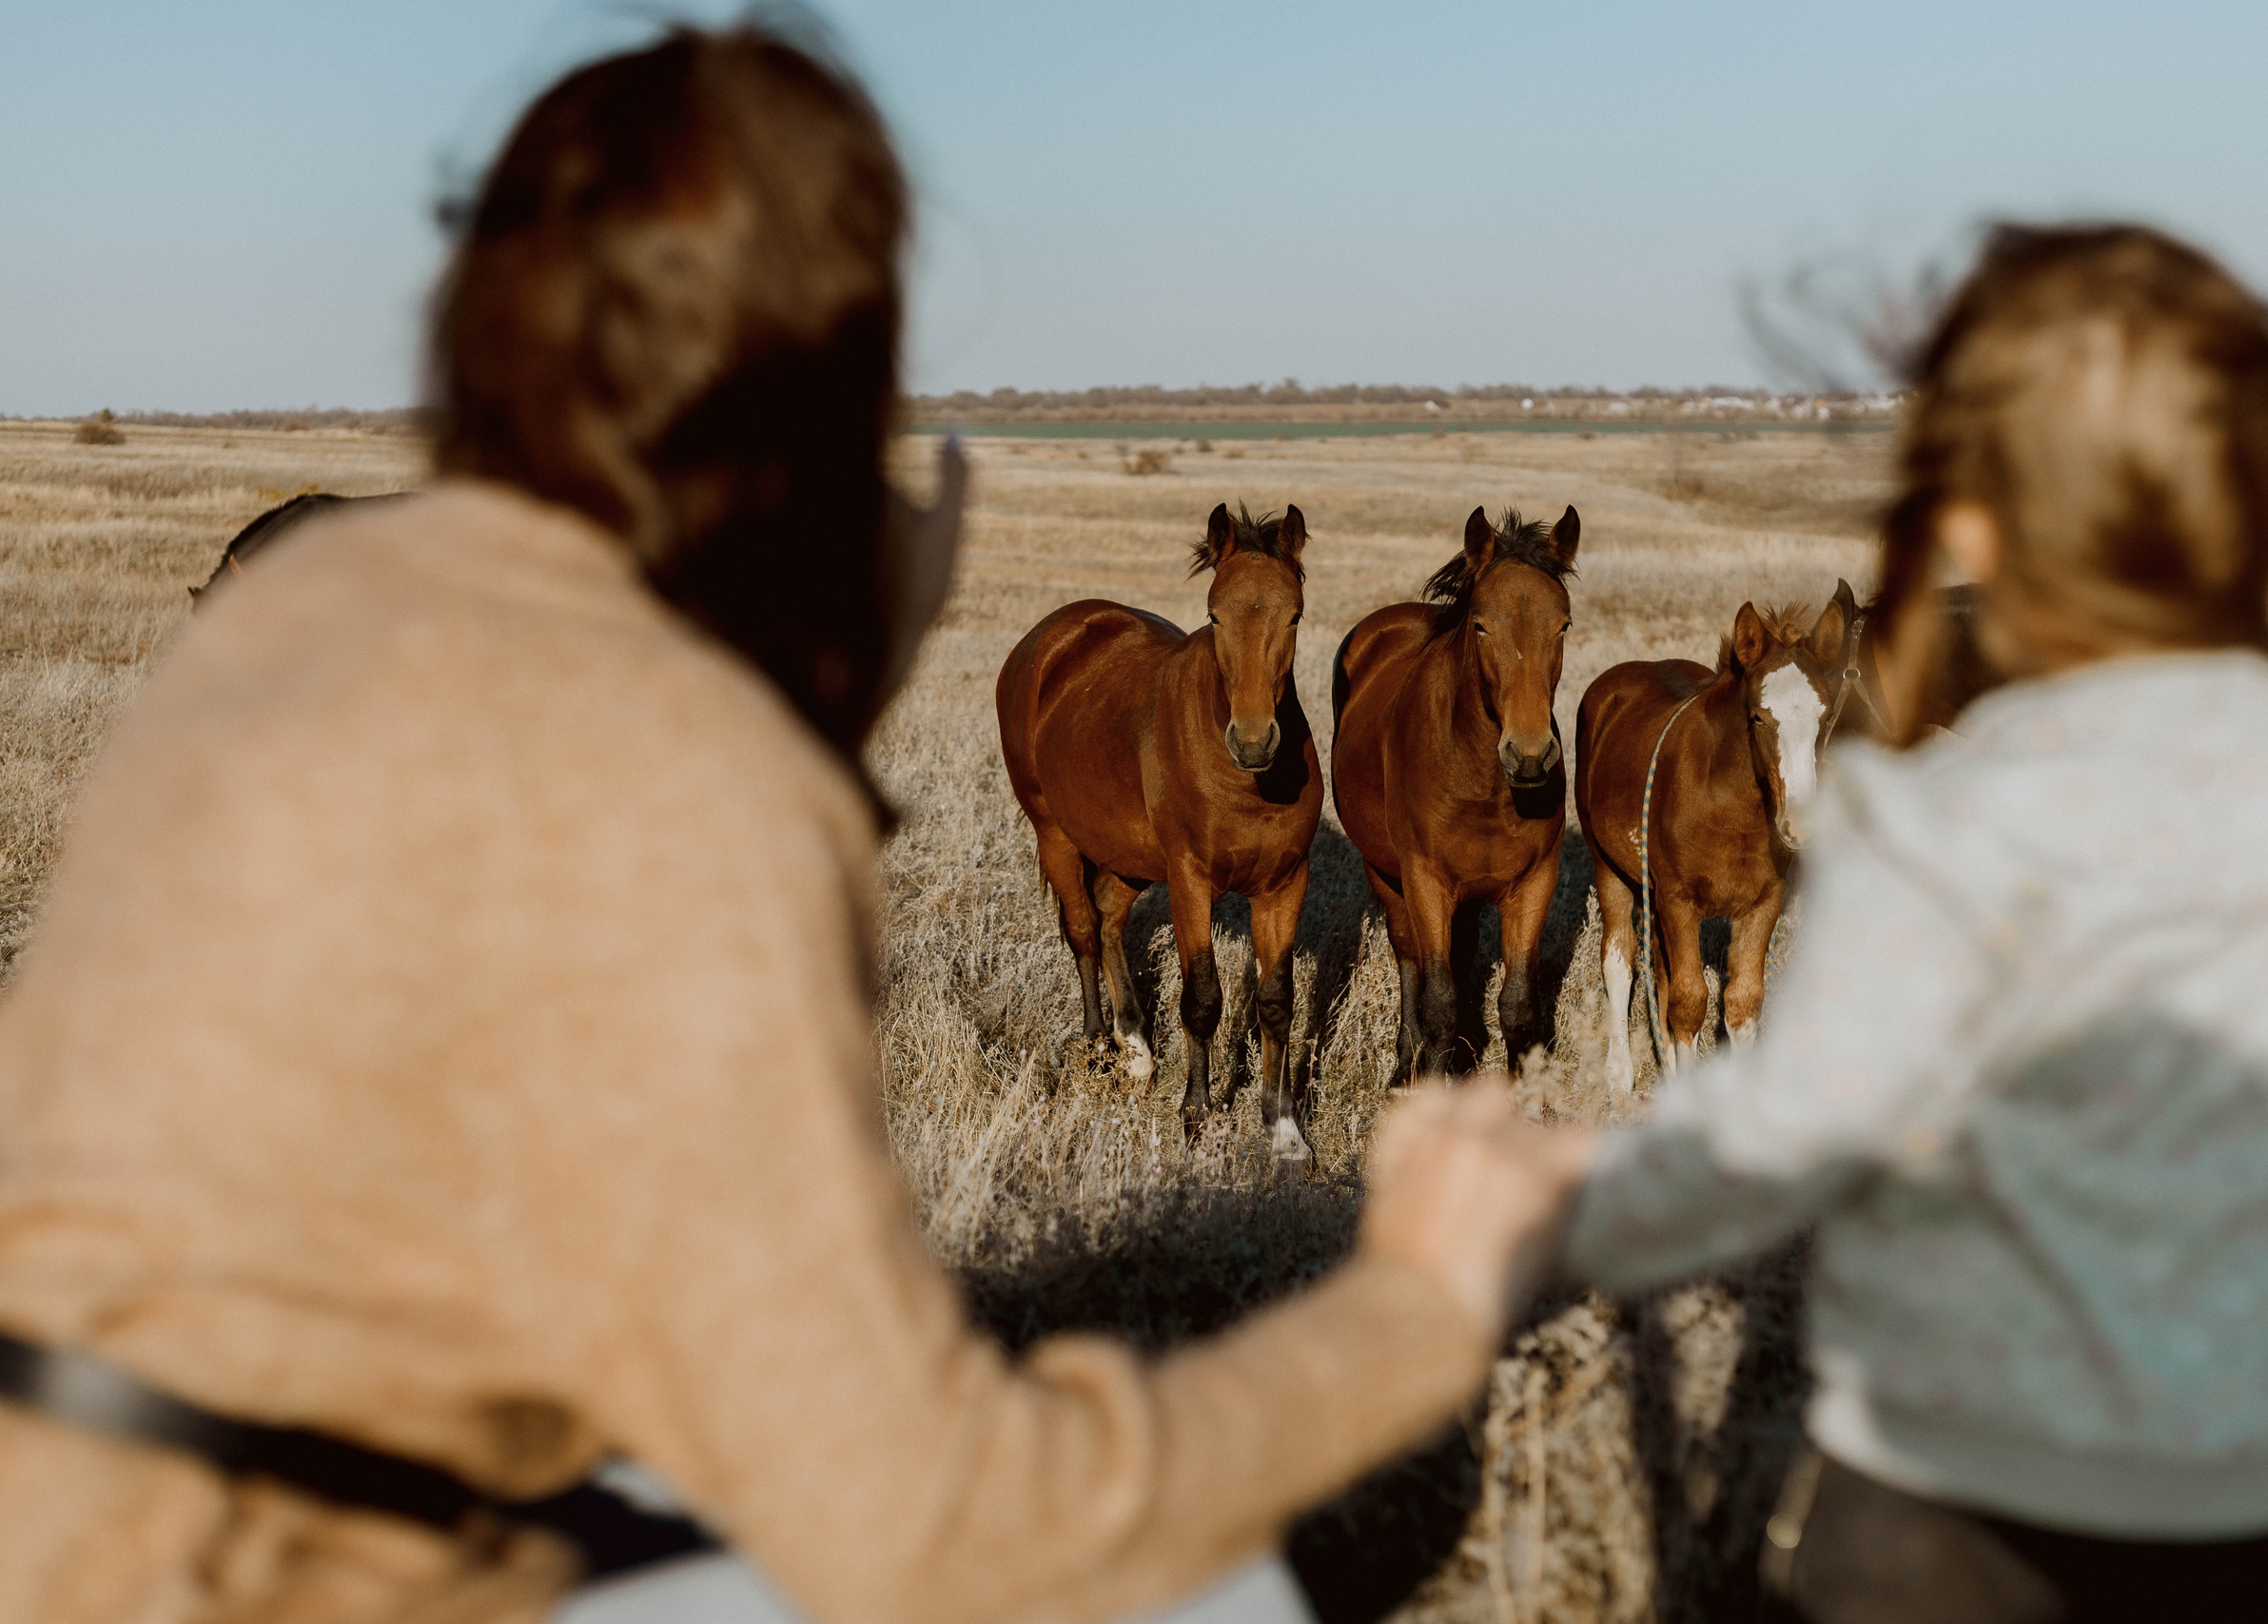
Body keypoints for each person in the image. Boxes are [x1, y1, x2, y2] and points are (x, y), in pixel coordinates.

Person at [0, 24, 1577, 1624]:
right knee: (1216, 1593)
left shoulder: (305, 609)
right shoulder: (685, 766)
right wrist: (1419, 1307)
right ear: (834, 376)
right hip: (279, 1587)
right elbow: (942, 1526)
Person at [1552, 222, 2268, 1621]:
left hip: (1938, 1503)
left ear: (1973, 529)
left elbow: (1774, 1138)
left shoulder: (1940, 824)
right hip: (2244, 1501)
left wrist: (1539, 1217)